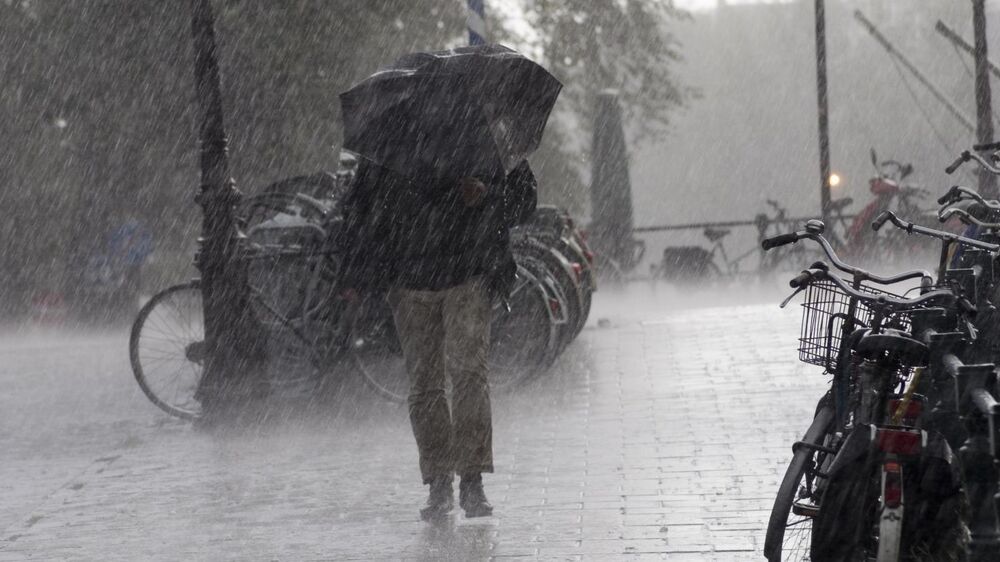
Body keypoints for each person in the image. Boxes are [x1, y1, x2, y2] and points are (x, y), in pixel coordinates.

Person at [338, 158, 537, 520]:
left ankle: (472, 480)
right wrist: (364, 271)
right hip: (410, 279)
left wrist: (487, 195)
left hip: (469, 273)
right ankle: (439, 481)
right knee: (426, 384)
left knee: (468, 376)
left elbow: (524, 202)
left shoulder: (484, 135)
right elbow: (362, 209)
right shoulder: (391, 141)